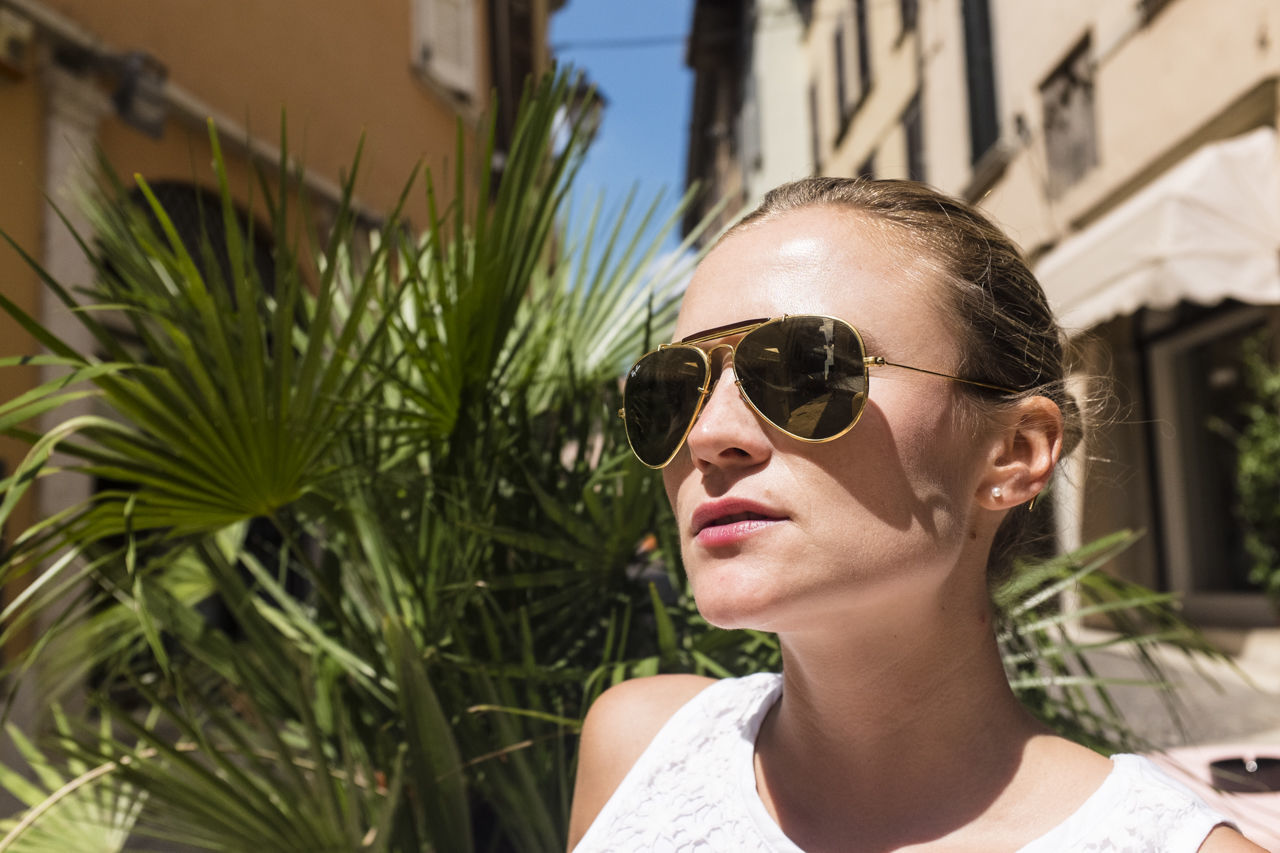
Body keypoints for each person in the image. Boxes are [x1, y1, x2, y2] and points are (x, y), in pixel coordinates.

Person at [566, 178, 1266, 852]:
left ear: (1013, 452)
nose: (707, 434)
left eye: (808, 371)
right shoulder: (638, 747)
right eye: (672, 388)